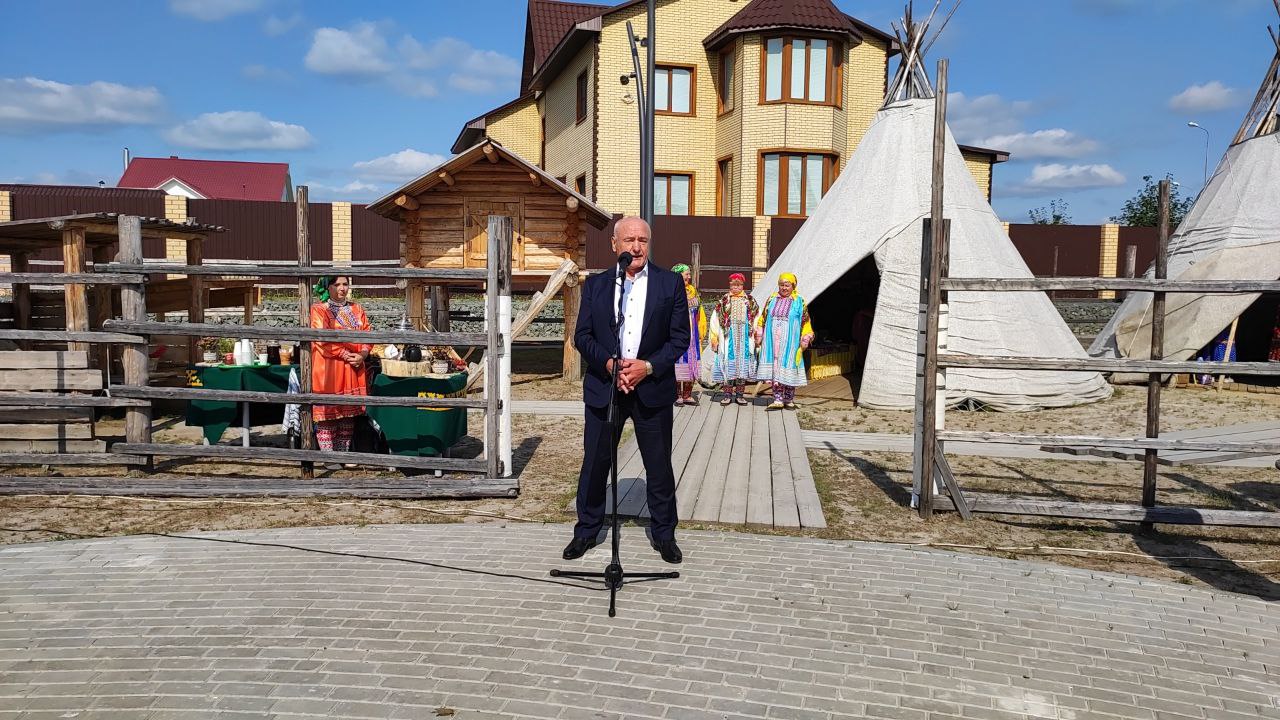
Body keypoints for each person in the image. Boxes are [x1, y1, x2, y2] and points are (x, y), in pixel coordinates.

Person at [565, 216, 690, 565]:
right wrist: (609, 364)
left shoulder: (669, 283)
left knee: (658, 464)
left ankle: (664, 534)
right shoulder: (597, 285)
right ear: (614, 245)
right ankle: (586, 531)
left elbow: (680, 338)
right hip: (605, 388)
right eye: (629, 240)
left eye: (642, 240)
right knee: (595, 463)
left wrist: (646, 367)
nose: (636, 247)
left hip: (652, 388)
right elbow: (582, 336)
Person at [309, 275, 372, 454]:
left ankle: (342, 454)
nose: (342, 288)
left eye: (345, 284)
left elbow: (368, 333)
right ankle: (329, 457)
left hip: (353, 366)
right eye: (337, 284)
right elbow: (321, 339)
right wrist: (346, 354)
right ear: (328, 287)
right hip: (329, 368)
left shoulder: (357, 309)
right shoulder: (319, 310)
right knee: (328, 414)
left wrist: (363, 354)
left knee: (348, 413)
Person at [755, 272, 814, 410]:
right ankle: (777, 399)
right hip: (772, 341)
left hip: (790, 342)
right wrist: (759, 333)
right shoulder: (772, 299)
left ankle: (788, 399)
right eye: (781, 285)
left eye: (787, 285)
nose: (784, 288)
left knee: (789, 367)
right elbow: (763, 317)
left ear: (793, 286)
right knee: (775, 369)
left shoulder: (799, 301)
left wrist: (805, 337)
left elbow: (806, 321)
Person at [707, 273, 759, 406]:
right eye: (733, 285)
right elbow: (715, 319)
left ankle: (740, 395)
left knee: (742, 367)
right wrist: (714, 338)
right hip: (728, 337)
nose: (736, 287)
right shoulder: (724, 300)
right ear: (729, 285)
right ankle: (727, 395)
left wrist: (756, 334)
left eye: (739, 285)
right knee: (728, 365)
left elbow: (756, 317)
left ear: (743, 285)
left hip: (744, 338)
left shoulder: (750, 300)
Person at [671, 263, 707, 406]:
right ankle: (677, 394)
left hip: (692, 334)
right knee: (678, 361)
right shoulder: (672, 290)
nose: (689, 277)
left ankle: (687, 394)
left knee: (691, 361)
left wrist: (701, 329)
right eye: (686, 274)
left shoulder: (693, 291)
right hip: (677, 333)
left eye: (689, 274)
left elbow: (699, 312)